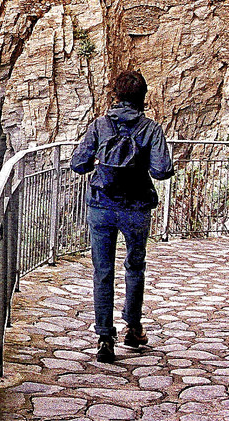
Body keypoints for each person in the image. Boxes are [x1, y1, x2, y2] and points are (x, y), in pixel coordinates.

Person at [68, 69, 174, 362]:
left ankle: (104, 337)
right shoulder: (151, 129)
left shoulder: (99, 125)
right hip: (137, 209)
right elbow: (162, 170)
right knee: (134, 267)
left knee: (102, 271)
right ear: (143, 97)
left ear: (115, 95)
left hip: (101, 206)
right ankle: (134, 328)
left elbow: (78, 164)